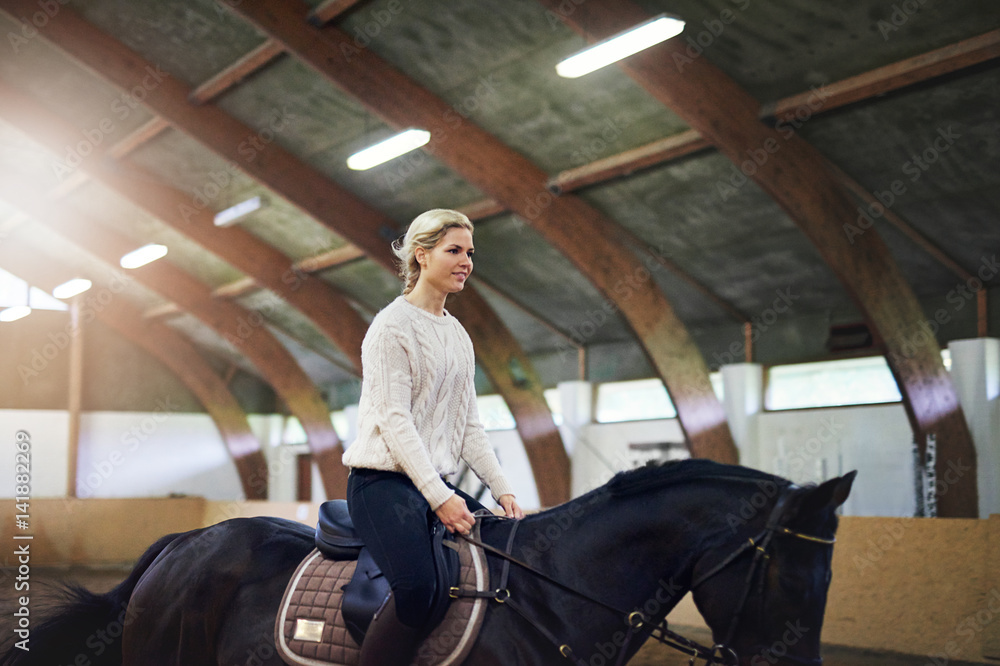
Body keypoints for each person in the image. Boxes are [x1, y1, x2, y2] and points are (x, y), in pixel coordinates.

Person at [343, 208, 524, 666]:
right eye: (454, 251)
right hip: (382, 484)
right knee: (419, 590)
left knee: (508, 560)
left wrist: (502, 490)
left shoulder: (458, 335)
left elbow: (468, 427)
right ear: (421, 256)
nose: (466, 261)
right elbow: (394, 420)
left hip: (435, 484)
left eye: (470, 253)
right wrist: (439, 496)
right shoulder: (390, 327)